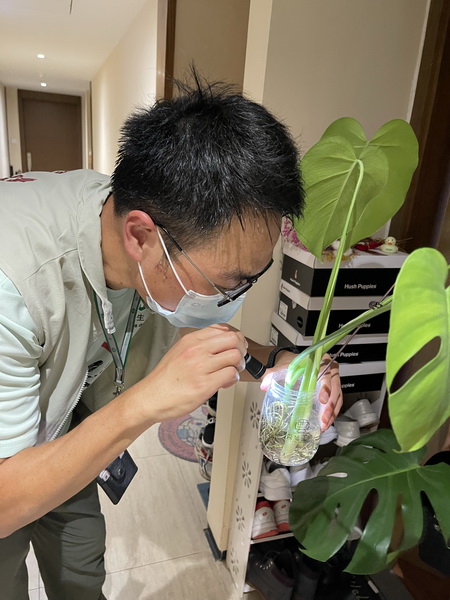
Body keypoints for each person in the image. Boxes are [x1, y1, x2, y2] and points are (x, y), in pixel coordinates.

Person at [0, 74, 342, 599]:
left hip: (65, 421)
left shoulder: (138, 222)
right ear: (141, 236)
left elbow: (200, 323)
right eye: (226, 283)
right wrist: (143, 403)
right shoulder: (15, 285)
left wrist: (278, 357)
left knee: (81, 564)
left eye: (251, 279)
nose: (233, 299)